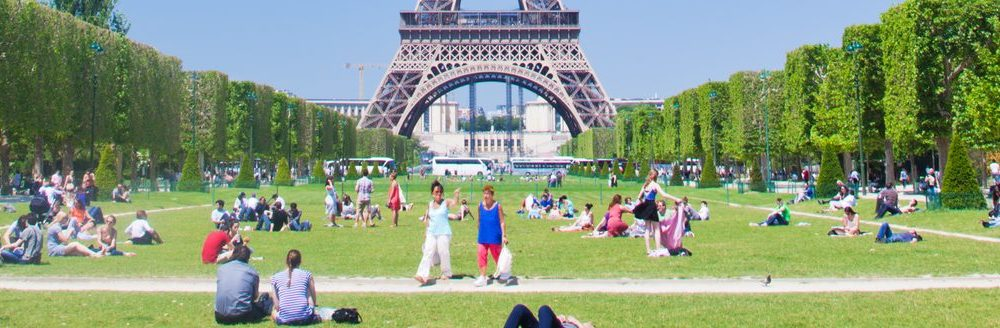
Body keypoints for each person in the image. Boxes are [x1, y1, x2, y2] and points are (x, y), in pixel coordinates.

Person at [270, 250, 336, 325]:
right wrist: (312, 306)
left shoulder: (275, 278)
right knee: (307, 289)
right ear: (300, 261)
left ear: (286, 261)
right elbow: (313, 299)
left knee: (273, 312)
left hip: (285, 319)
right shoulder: (307, 275)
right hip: (305, 318)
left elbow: (277, 306)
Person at [415, 181, 460, 285]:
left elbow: (454, 203)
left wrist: (456, 195)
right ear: (432, 194)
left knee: (443, 252)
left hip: (444, 232)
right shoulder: (429, 204)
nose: (439, 194)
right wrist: (426, 231)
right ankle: (422, 274)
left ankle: (446, 272)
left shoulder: (446, 202)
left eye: (440, 192)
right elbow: (427, 219)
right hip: (431, 232)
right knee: (427, 252)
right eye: (436, 192)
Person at [215, 245, 272, 324]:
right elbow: (255, 296)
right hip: (243, 316)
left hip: (219, 316)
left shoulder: (221, 269)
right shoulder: (252, 272)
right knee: (268, 303)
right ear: (248, 258)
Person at [632, 169, 674, 254]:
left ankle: (648, 250)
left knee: (647, 229)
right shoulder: (655, 185)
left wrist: (642, 202)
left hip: (646, 206)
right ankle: (658, 249)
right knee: (657, 229)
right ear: (656, 176)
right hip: (652, 206)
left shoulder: (645, 185)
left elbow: (639, 197)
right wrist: (675, 198)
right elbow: (664, 194)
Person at [475, 185, 508, 287]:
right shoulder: (480, 206)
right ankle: (483, 277)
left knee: (497, 256)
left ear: (492, 195)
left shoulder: (498, 206)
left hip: (495, 235)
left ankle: (504, 272)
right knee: (481, 254)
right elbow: (479, 220)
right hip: (483, 235)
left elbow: (502, 222)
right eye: (484, 193)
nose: (486, 195)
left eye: (488, 193)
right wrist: (479, 231)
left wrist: (504, 235)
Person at [503, 304, 593, 328]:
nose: (588, 324)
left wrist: (579, 324)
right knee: (520, 309)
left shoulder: (577, 325)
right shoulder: (570, 322)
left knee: (544, 309)